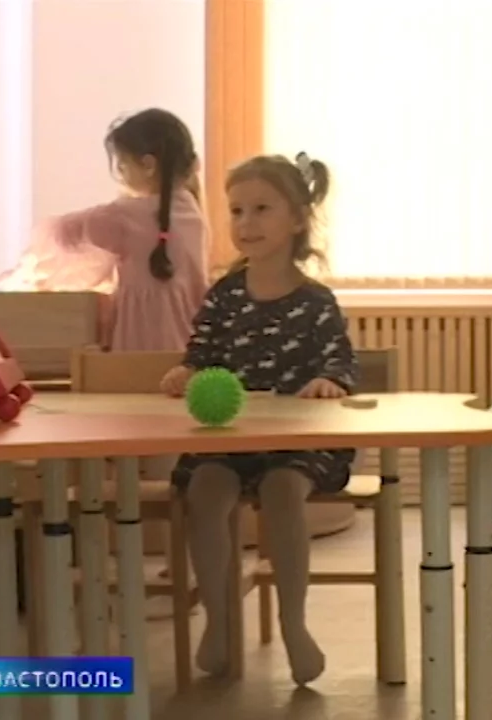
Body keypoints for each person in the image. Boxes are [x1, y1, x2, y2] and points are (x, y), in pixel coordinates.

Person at [160, 152, 356, 685]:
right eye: (237, 211)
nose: (246, 223)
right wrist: (186, 372)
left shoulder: (316, 301)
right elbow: (202, 355)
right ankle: (220, 621)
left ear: (297, 220)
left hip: (300, 446)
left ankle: (294, 623)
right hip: (230, 439)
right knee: (205, 492)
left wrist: (329, 381)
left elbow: (340, 361)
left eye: (262, 209)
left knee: (282, 490)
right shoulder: (224, 296)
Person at [2, 108, 209, 351]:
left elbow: (62, 232)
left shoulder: (125, 216)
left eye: (122, 166)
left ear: (148, 165)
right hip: (187, 346)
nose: (120, 175)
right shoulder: (195, 215)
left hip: (141, 346)